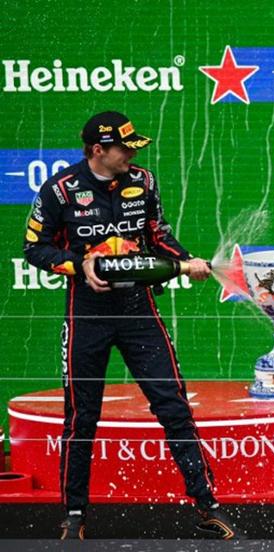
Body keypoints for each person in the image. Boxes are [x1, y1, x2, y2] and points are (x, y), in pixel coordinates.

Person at [23, 111, 242, 539]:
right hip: (87, 312)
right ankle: (74, 516)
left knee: (173, 406)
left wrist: (185, 261)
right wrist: (77, 264)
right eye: (124, 147)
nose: (132, 154)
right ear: (98, 150)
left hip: (139, 310)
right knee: (81, 417)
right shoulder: (60, 190)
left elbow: (157, 234)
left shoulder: (143, 181)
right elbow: (35, 248)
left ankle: (207, 504)